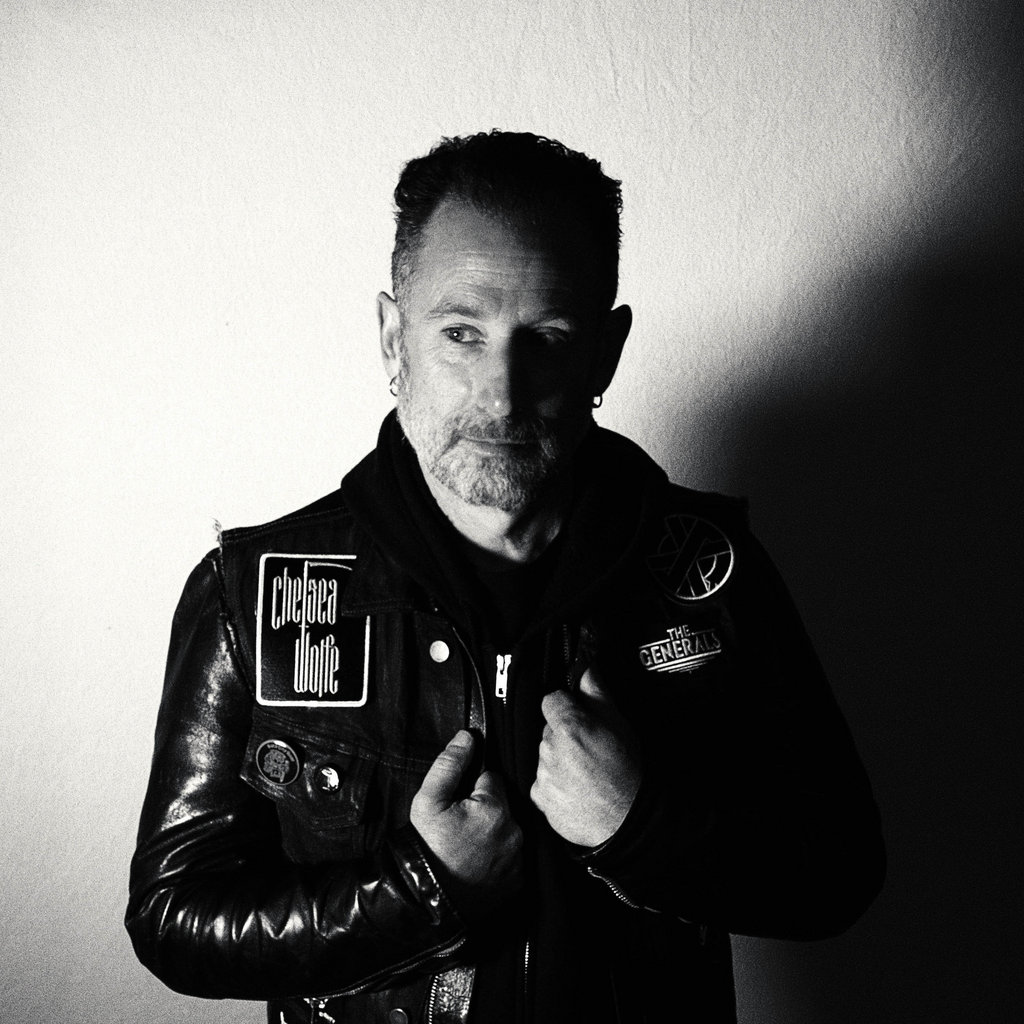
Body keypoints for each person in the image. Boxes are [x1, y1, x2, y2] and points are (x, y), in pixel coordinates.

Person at [126, 131, 885, 1024]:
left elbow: (841, 873)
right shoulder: (251, 592)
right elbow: (173, 917)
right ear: (392, 339)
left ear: (605, 352)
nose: (502, 394)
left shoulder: (709, 574)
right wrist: (423, 888)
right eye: (461, 334)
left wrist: (641, 829)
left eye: (548, 338)